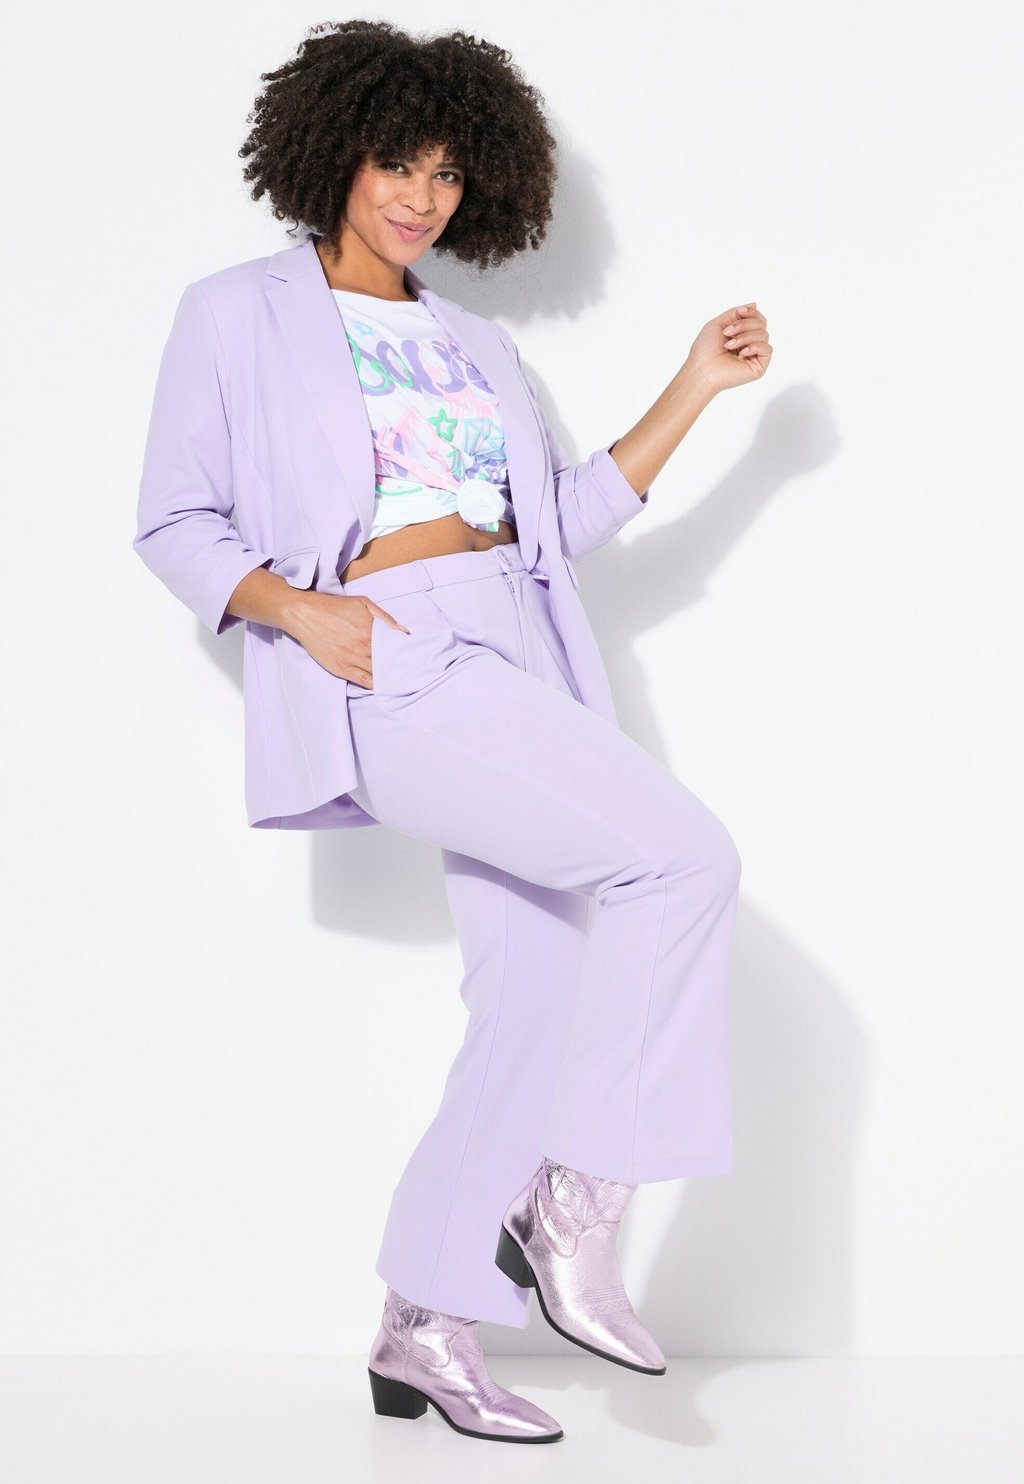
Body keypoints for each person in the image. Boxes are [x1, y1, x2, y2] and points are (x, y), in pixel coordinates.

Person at [133, 20, 772, 1444]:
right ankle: (573, 1203)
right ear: (331, 154)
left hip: (517, 651)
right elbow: (173, 519)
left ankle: (423, 1323)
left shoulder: (474, 343)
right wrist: (301, 614)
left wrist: (694, 387)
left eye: (445, 173)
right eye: (394, 164)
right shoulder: (237, 312)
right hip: (394, 650)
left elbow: (558, 526)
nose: (420, 197)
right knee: (684, 861)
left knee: (533, 993)